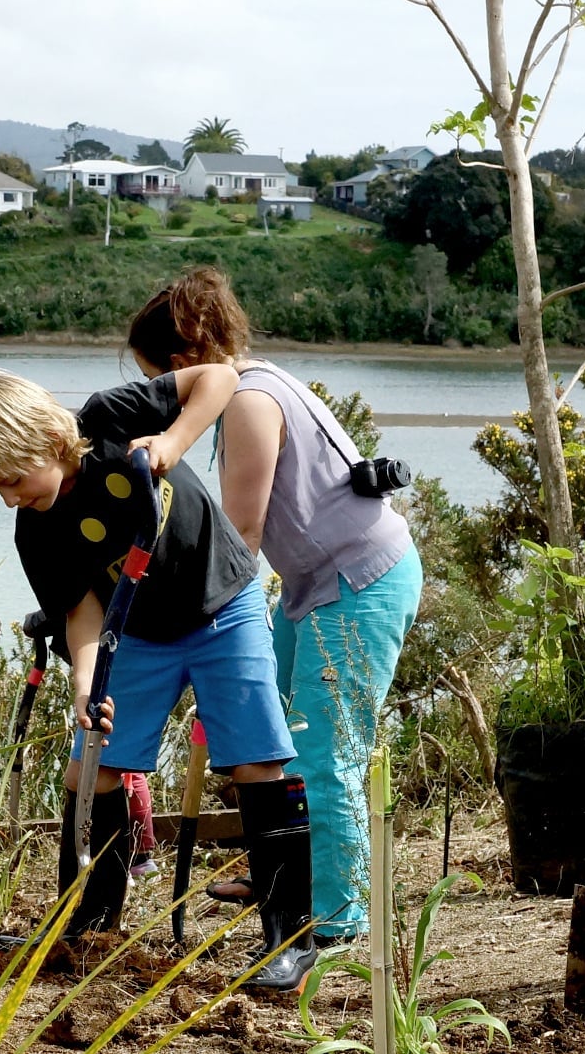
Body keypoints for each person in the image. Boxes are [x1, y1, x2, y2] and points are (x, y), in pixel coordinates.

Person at [0, 363, 321, 994]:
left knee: (257, 760)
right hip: (139, 637)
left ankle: (291, 939)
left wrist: (174, 439)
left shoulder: (109, 419)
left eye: (11, 479)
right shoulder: (36, 528)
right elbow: (82, 612)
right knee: (90, 768)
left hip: (221, 607)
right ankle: (88, 928)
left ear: (42, 439)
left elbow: (221, 379)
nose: (10, 497)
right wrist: (86, 689)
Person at [127, 267, 422, 945]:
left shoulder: (249, 403)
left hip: (357, 583)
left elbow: (240, 543)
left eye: (159, 384)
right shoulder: (256, 380)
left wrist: (215, 651)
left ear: (182, 365)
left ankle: (337, 922)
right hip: (311, 586)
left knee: (326, 756)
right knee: (279, 745)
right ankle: (284, 879)